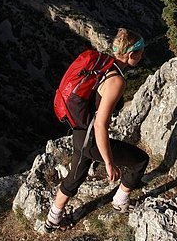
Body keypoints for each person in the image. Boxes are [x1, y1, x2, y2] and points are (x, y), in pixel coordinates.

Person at [45, 28, 150, 232]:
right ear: (130, 55)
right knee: (140, 161)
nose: (142, 55)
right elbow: (101, 124)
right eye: (141, 52)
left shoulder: (103, 65)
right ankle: (120, 201)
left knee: (74, 177)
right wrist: (109, 163)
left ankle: (52, 220)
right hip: (91, 138)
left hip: (80, 132)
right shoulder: (116, 81)